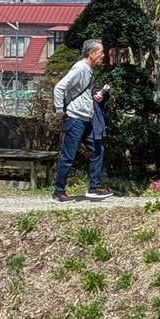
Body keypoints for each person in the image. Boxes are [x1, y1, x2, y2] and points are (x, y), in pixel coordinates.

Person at [52, 39, 112, 203]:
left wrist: (95, 96)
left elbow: (80, 92)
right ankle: (58, 192)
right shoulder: (80, 68)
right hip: (74, 118)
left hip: (86, 118)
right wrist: (59, 110)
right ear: (91, 54)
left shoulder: (89, 71)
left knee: (97, 149)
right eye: (101, 52)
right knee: (68, 156)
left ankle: (94, 187)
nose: (103, 56)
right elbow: (59, 87)